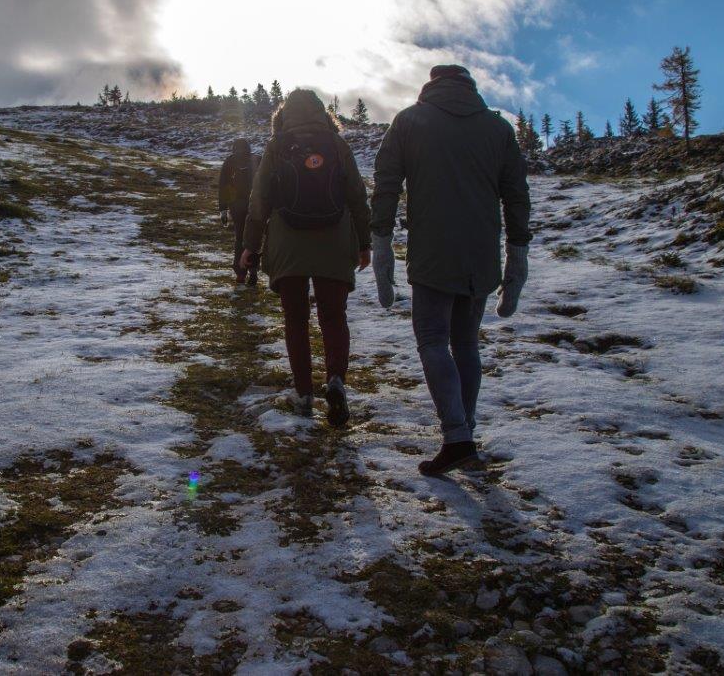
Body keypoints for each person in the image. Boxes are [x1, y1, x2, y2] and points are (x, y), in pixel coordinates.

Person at [371, 64, 531, 476]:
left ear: (432, 85)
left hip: (432, 253)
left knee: (432, 341)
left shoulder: (409, 120)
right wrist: (517, 253)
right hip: (481, 255)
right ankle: (465, 433)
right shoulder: (497, 129)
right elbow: (516, 195)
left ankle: (458, 438)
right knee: (466, 344)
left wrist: (381, 243)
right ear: (469, 88)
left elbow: (386, 183)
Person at [240, 89, 371, 426]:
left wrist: (250, 245)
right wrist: (364, 241)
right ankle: (336, 381)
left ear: (284, 116)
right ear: (321, 114)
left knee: (295, 320)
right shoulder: (337, 145)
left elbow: (259, 199)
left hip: (288, 242)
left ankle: (303, 394)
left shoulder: (277, 145)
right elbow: (357, 195)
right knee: (333, 316)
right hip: (334, 241)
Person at [218, 138, 260, 286]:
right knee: (254, 239)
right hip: (255, 206)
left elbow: (224, 184)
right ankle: (253, 271)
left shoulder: (230, 161)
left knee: (240, 239)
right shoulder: (257, 159)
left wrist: (223, 209)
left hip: (236, 207)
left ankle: (240, 273)